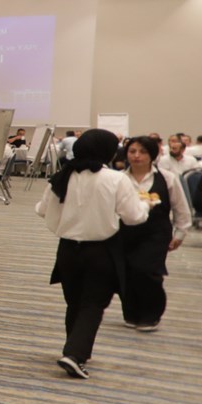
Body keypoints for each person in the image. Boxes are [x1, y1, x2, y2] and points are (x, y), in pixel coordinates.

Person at [37, 128, 149, 379]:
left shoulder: (62, 176)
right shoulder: (116, 179)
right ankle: (75, 354)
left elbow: (42, 210)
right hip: (100, 250)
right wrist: (145, 205)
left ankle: (74, 348)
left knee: (75, 302)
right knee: (93, 303)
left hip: (67, 250)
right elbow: (133, 217)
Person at [118, 136, 184, 332]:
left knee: (149, 272)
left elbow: (180, 207)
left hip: (156, 233)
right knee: (127, 273)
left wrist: (180, 233)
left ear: (152, 155)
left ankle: (152, 314)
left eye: (143, 152)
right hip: (124, 232)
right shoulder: (119, 178)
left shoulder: (167, 178)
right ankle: (131, 312)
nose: (137, 156)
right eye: (132, 151)